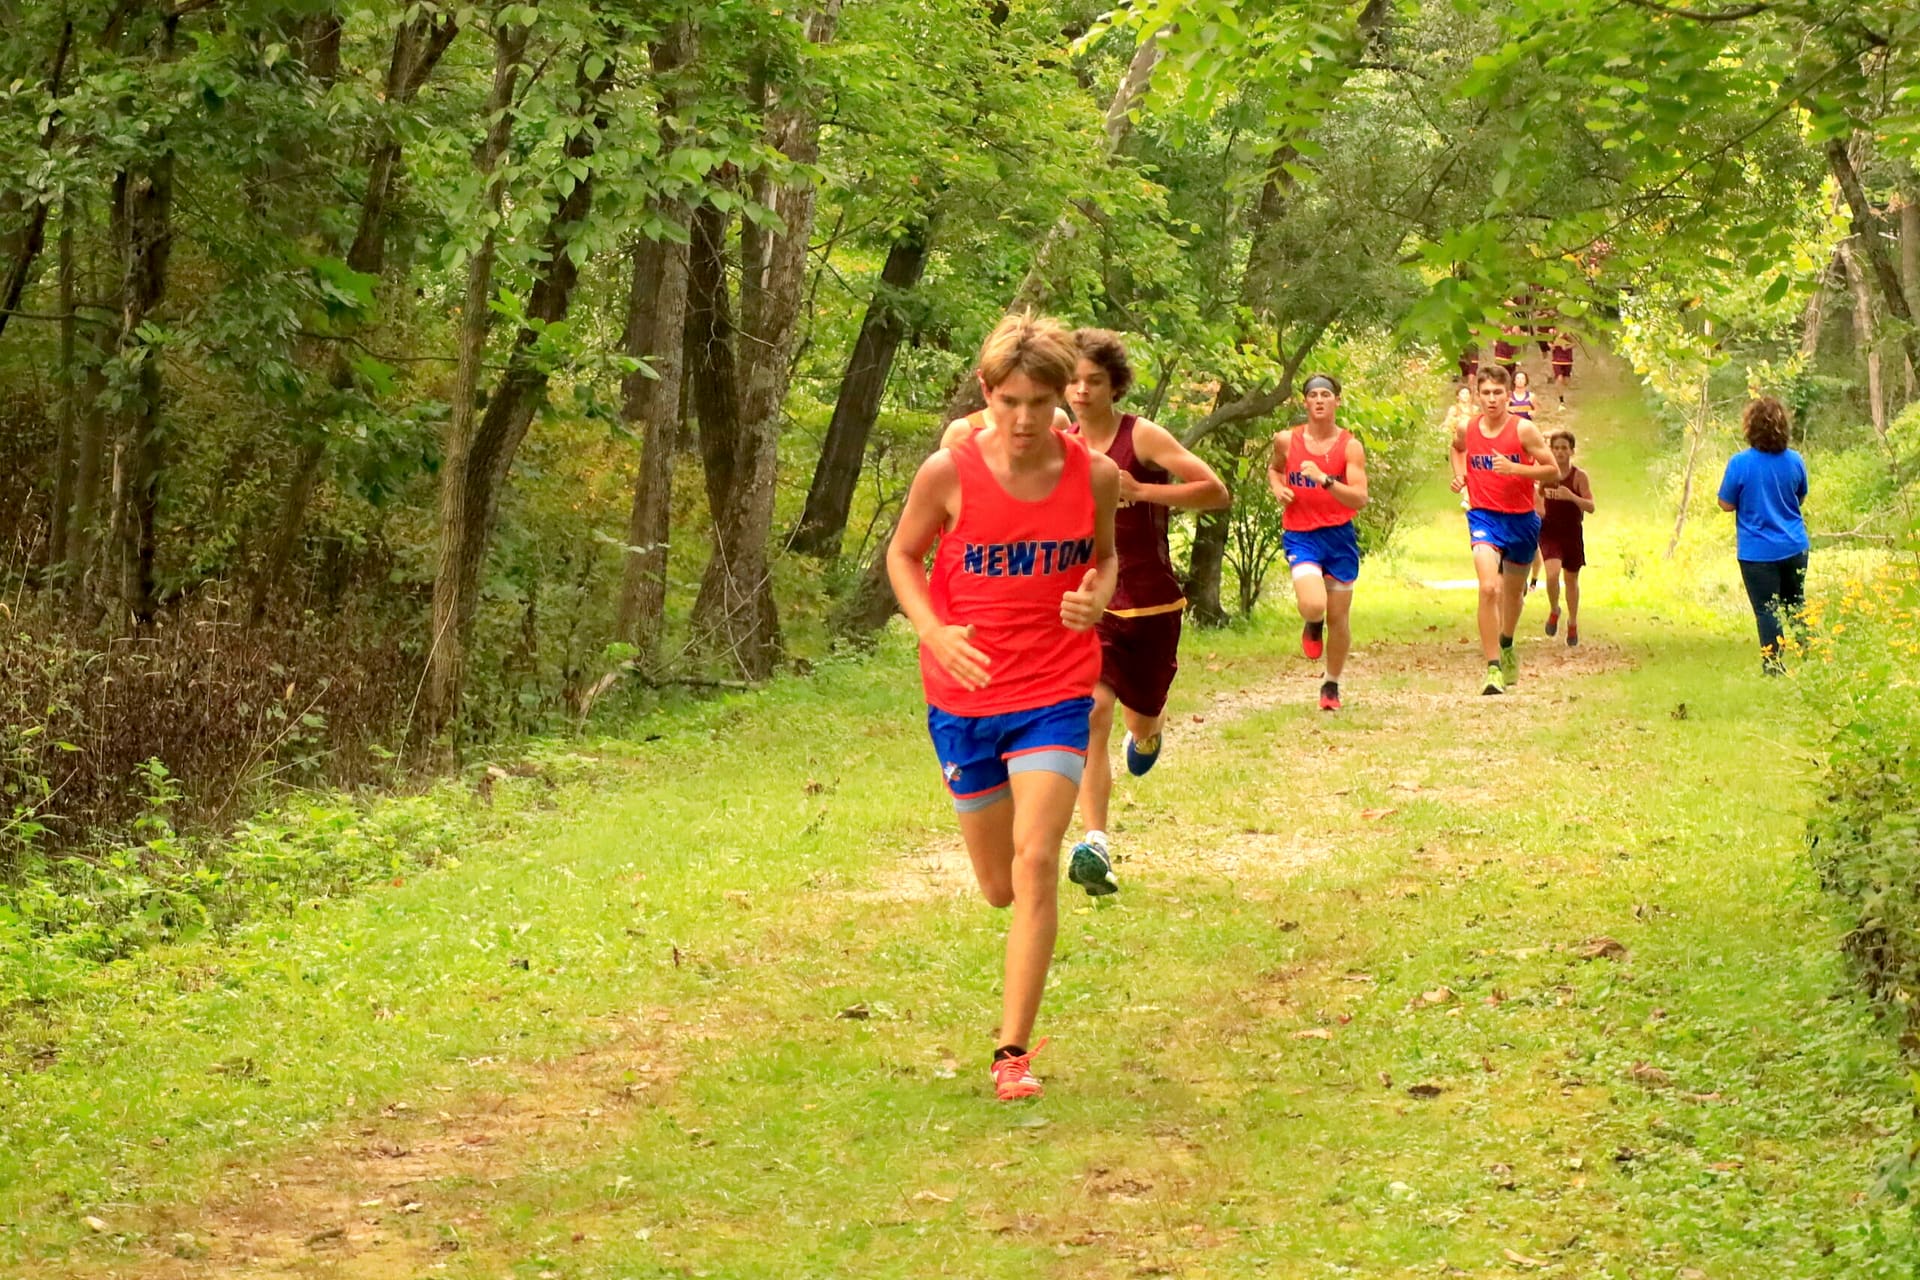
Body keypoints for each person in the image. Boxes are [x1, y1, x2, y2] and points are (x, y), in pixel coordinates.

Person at [887, 313, 1120, 1101]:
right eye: (1010, 400)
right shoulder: (946, 473)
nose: (1024, 419)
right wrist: (932, 630)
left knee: (1037, 860)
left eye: (1041, 401)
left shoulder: (1093, 476)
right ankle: (1022, 932)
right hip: (965, 697)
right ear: (986, 392)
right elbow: (904, 555)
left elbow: (1107, 557)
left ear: (1066, 398)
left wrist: (1097, 595)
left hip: (1055, 689)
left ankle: (1011, 1054)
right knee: (997, 884)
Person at [1062, 330, 1230, 896]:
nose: (1081, 392)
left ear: (1115, 387)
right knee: (1092, 713)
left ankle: (1151, 735)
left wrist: (1141, 491)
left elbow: (1215, 491)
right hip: (1093, 602)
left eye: (1094, 382)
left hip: (1154, 605)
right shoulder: (1056, 442)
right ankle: (1095, 845)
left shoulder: (1142, 436)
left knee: (1141, 718)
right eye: (1073, 380)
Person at [1450, 364, 1559, 694]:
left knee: (1513, 595)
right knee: (1488, 589)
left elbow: (1552, 471)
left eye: (1498, 393)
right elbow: (1456, 449)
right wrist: (1460, 475)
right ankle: (1493, 667)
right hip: (1483, 517)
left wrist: (1515, 469)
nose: (1492, 399)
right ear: (1478, 396)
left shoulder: (1523, 430)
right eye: (1486, 393)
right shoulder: (1467, 428)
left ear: (1508, 395)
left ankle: (1507, 642)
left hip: (1521, 520)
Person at [1268, 374, 1370, 710]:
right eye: (1314, 395)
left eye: (1327, 394)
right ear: (1305, 402)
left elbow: (1358, 498)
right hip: (1301, 534)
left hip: (1339, 537)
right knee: (1315, 605)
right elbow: (1275, 469)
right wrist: (1278, 487)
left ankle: (1331, 684)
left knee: (1339, 619)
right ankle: (1313, 623)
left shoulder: (1350, 446)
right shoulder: (1286, 440)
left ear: (1337, 401)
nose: (1320, 400)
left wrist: (1325, 480)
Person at [1716, 396, 1810, 673]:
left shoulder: (1740, 463)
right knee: (1795, 604)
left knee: (1767, 610)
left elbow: (1725, 503)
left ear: (1750, 427)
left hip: (1757, 552)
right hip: (1795, 546)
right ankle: (1810, 658)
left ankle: (1773, 665)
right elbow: (1800, 496)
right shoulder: (1795, 460)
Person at [1537, 430, 1594, 645]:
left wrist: (1571, 496)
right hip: (1549, 531)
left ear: (1571, 451)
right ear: (1551, 450)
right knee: (1551, 574)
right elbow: (1537, 499)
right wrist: (1539, 508)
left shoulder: (1579, 477)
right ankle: (1554, 609)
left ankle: (1572, 622)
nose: (1560, 452)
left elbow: (1591, 506)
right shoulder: (1545, 474)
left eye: (1564, 448)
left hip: (1571, 532)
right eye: (1556, 448)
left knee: (1571, 579)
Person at [1549, 334, 1575, 401]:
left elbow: (1575, 344)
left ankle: (1559, 383)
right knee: (1559, 378)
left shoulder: (1569, 336)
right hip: (1557, 361)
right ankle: (1561, 398)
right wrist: (1555, 342)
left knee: (1566, 381)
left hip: (1568, 361)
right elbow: (1550, 345)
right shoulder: (1554, 335)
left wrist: (1567, 347)